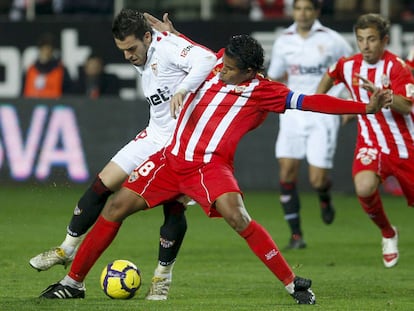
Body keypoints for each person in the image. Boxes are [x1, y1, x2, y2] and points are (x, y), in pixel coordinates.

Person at [38, 30, 391, 303]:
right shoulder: (218, 62)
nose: (222, 72)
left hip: (209, 167)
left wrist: (366, 108)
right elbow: (201, 53)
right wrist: (173, 34)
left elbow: (312, 102)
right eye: (223, 65)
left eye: (231, 70)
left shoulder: (264, 90)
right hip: (171, 158)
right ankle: (73, 284)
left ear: (250, 72)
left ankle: (290, 282)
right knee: (114, 207)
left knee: (237, 217)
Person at [29, 9, 217, 301]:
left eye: (131, 48)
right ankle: (66, 249)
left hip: (180, 142)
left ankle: (162, 278)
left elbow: (207, 59)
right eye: (122, 50)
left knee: (174, 206)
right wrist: (177, 39)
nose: (128, 56)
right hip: (154, 133)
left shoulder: (166, 47)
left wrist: (184, 85)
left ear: (147, 36)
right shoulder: (149, 48)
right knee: (102, 183)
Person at [316, 13, 414, 268]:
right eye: (361, 40)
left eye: (371, 39)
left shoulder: (398, 67)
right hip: (370, 143)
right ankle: (388, 232)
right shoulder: (348, 65)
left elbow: (406, 106)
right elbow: (331, 74)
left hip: (405, 145)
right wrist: (318, 101)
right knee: (364, 187)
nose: (366, 45)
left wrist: (385, 96)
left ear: (385, 40)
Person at [267, 0, 352, 249]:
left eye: (307, 9)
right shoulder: (284, 40)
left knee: (317, 180)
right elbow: (276, 75)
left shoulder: (334, 40)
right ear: (293, 11)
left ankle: (324, 196)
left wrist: (348, 102)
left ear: (316, 12)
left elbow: (351, 71)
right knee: (286, 171)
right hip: (293, 111)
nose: (302, 13)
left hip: (323, 112)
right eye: (298, 8)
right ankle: (296, 235)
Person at [22, 32, 73, 98]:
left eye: (48, 49)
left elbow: (68, 93)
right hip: (32, 106)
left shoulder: (61, 70)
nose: (46, 52)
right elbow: (23, 93)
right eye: (43, 49)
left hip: (55, 106)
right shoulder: (31, 70)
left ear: (52, 51)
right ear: (40, 50)